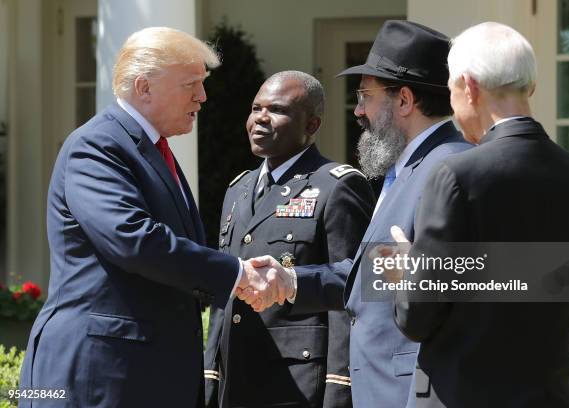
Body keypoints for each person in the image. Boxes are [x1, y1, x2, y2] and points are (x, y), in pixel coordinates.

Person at [18, 27, 290, 408]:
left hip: (143, 374)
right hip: (99, 374)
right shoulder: (97, 146)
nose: (203, 96)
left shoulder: (151, 148)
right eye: (191, 84)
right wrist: (237, 274)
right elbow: (134, 240)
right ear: (144, 87)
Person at [240, 21, 473, 408]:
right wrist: (291, 279)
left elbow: (499, 279)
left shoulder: (448, 168)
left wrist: (422, 273)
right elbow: (375, 274)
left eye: (365, 95)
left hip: (413, 393)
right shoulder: (406, 169)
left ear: (404, 101)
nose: (358, 110)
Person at [392, 22, 569, 407]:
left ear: (469, 87)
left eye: (453, 90)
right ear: (531, 87)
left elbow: (416, 320)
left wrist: (408, 270)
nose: (454, 108)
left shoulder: (456, 175)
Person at [204, 71, 375, 408]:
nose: (260, 120)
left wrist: (340, 386)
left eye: (277, 110)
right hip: (236, 380)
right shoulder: (238, 189)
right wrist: (211, 373)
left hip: (299, 383)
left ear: (311, 125)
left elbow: (351, 288)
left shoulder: (336, 186)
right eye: (256, 108)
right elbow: (224, 296)